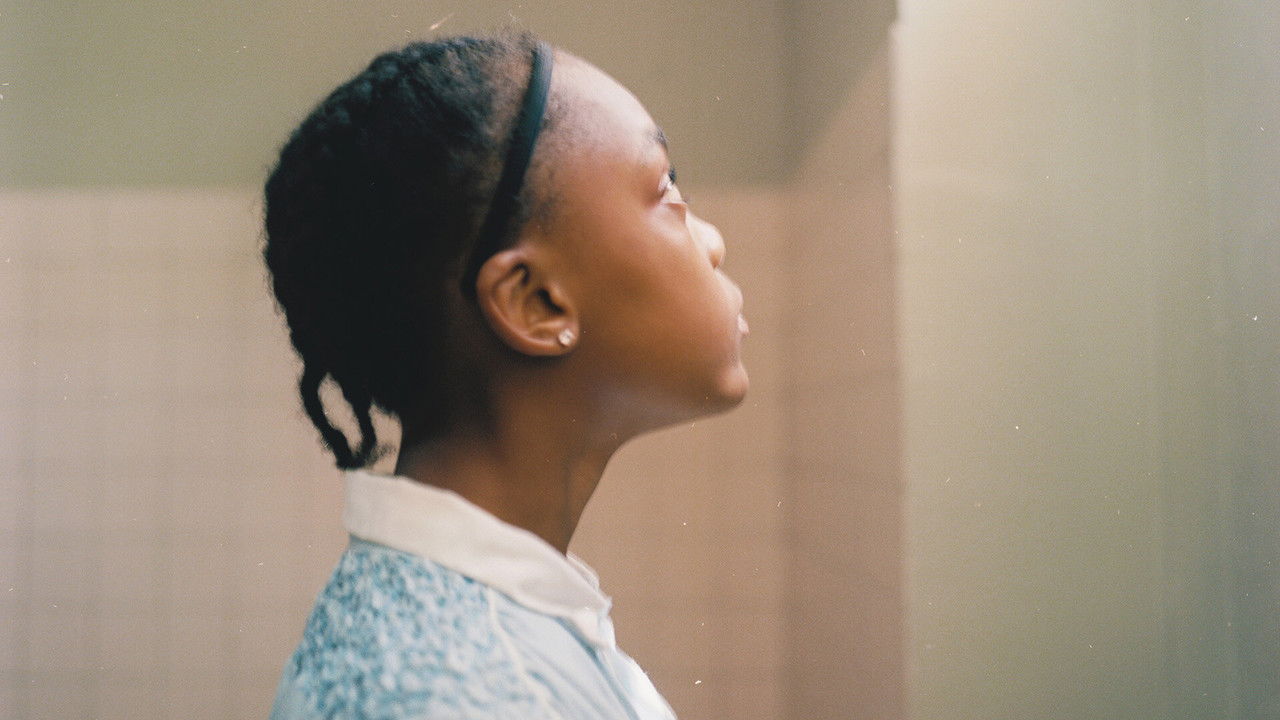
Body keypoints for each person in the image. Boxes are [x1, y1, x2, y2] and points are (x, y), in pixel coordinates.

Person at [263, 31, 749, 719]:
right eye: (666, 188)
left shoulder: (448, 631)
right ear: (535, 302)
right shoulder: (481, 697)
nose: (714, 242)